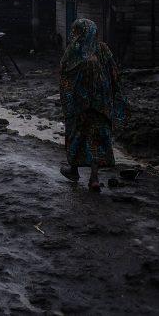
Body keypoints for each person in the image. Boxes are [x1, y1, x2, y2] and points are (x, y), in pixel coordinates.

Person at [59, 18, 129, 192]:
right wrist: (115, 94)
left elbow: (64, 74)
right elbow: (114, 72)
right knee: (96, 140)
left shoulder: (74, 50)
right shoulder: (103, 49)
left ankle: (74, 170)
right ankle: (94, 179)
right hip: (100, 104)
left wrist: (69, 99)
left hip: (79, 105)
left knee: (77, 136)